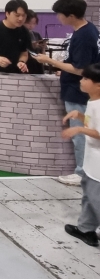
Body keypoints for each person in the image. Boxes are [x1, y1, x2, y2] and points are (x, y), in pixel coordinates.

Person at [36, 0, 100, 186]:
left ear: (71, 15)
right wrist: (63, 68)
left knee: (81, 134)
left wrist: (49, 61)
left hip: (78, 91)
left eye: (60, 14)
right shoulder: (88, 30)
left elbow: (80, 69)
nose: (58, 18)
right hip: (78, 89)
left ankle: (82, 173)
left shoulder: (83, 36)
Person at [60, 63, 100, 246]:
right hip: (91, 164)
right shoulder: (93, 102)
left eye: (85, 78)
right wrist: (80, 116)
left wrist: (78, 130)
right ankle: (86, 229)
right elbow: (93, 124)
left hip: (98, 167)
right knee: (89, 197)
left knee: (95, 199)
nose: (81, 81)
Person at [24, 10, 45, 75]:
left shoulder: (37, 34)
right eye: (28, 23)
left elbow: (43, 52)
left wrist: (43, 47)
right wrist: (31, 46)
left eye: (34, 23)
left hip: (37, 64)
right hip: (26, 64)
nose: (31, 26)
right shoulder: (20, 34)